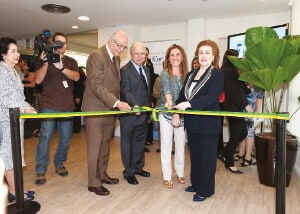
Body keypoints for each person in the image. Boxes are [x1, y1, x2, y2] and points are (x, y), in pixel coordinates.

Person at [82, 31, 131, 196]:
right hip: (95, 110)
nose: (121, 50)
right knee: (95, 147)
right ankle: (93, 182)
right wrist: (116, 103)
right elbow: (96, 85)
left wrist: (116, 103)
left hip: (109, 110)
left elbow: (114, 85)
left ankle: (102, 174)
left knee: (104, 147)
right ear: (110, 41)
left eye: (124, 47)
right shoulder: (96, 56)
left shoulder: (115, 58)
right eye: (119, 46)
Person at [174, 40, 224, 202]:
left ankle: (206, 190)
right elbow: (183, 95)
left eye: (207, 52)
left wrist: (189, 104)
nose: (203, 56)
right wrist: (176, 112)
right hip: (193, 123)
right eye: (201, 52)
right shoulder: (191, 74)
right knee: (195, 157)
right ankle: (196, 184)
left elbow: (211, 97)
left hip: (208, 124)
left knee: (207, 159)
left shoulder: (216, 74)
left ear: (213, 56)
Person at [34, 32, 80, 185]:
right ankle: (41, 170)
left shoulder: (71, 61)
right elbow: (38, 80)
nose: (61, 46)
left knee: (65, 138)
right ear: (53, 44)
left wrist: (61, 69)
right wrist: (46, 63)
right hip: (49, 106)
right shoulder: (43, 59)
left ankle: (59, 164)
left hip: (67, 106)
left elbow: (76, 77)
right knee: (45, 137)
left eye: (64, 43)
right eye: (58, 43)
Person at [0, 37, 36, 202]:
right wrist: (24, 108)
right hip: (6, 121)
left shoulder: (13, 71)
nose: (17, 54)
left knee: (15, 155)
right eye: (12, 51)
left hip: (15, 120)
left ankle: (17, 188)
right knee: (9, 156)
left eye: (17, 50)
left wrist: (28, 106)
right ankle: (14, 191)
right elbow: (5, 98)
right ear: (3, 54)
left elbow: (18, 97)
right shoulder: (2, 70)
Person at [119, 42, 152, 185]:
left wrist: (148, 112)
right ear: (131, 54)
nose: (140, 56)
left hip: (144, 115)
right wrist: (135, 105)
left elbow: (147, 92)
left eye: (142, 54)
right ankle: (129, 172)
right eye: (137, 53)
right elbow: (126, 91)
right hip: (130, 115)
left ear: (146, 55)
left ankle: (138, 167)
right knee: (127, 144)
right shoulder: (124, 70)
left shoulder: (147, 70)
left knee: (139, 143)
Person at [159, 44, 188, 188]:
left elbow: (186, 96)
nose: (175, 57)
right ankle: (167, 176)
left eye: (177, 54)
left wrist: (178, 113)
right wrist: (173, 111)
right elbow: (168, 94)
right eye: (172, 55)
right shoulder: (165, 73)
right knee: (166, 145)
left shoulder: (187, 75)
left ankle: (180, 172)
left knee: (181, 145)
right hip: (166, 114)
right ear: (168, 58)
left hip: (181, 115)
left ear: (182, 57)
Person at [222, 49, 252, 174]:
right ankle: (229, 162)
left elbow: (239, 88)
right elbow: (234, 91)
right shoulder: (230, 71)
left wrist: (248, 87)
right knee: (236, 135)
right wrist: (246, 104)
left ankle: (225, 154)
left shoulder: (229, 71)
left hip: (232, 107)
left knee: (242, 133)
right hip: (233, 107)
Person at [237, 85, 263, 167]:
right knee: (241, 132)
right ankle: (241, 153)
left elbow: (259, 98)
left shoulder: (257, 86)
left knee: (249, 134)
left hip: (250, 114)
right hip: (240, 111)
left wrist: (258, 111)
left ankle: (248, 157)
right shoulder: (241, 84)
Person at [144, 47, 158, 151]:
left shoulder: (150, 66)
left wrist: (152, 100)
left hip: (149, 98)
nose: (145, 56)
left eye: (146, 54)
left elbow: (152, 85)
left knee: (149, 120)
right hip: (138, 100)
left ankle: (149, 139)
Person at [73, 66, 86, 133]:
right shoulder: (82, 75)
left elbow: (79, 86)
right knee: (76, 111)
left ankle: (76, 128)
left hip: (77, 96)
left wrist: (77, 96)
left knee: (76, 111)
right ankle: (76, 128)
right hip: (78, 95)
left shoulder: (79, 75)